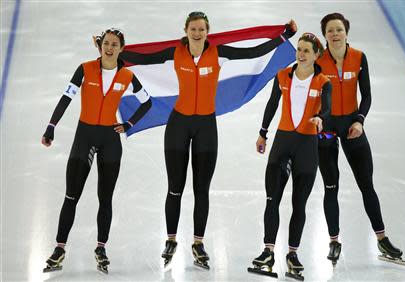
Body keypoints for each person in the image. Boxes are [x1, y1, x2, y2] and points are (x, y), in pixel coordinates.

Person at [119, 12, 297, 269]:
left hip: (205, 126)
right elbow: (143, 59)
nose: (198, 33)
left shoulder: (218, 51)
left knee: (201, 190)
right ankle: (171, 239)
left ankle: (198, 242)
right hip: (178, 125)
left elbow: (253, 52)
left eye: (202, 29)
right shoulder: (175, 52)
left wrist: (282, 37)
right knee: (175, 188)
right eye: (193, 29)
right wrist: (114, 52)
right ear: (186, 30)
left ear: (207, 31)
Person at [42, 28, 152, 274]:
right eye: (106, 44)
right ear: (100, 45)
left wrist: (128, 124)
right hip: (85, 137)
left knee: (106, 198)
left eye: (115, 44)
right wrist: (51, 126)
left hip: (110, 140)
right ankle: (59, 249)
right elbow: (66, 98)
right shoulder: (85, 69)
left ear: (122, 48)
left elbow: (148, 102)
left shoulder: (127, 75)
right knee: (72, 195)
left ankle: (101, 248)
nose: (110, 48)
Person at [315, 13, 405, 266]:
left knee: (367, 184)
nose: (335, 34)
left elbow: (366, 95)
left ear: (346, 32)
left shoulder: (359, 58)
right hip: (327, 128)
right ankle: (334, 241)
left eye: (339, 30)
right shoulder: (319, 60)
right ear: (325, 35)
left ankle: (382, 238)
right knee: (330, 186)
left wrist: (359, 120)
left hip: (352, 126)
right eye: (330, 31)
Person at [248, 33, 331, 279]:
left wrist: (321, 119)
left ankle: (292, 254)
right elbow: (272, 104)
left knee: (299, 203)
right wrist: (263, 133)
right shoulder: (283, 75)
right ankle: (268, 251)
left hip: (307, 146)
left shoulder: (323, 81)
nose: (301, 54)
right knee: (271, 199)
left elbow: (327, 107)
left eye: (307, 50)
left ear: (317, 55)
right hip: (282, 143)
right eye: (299, 49)